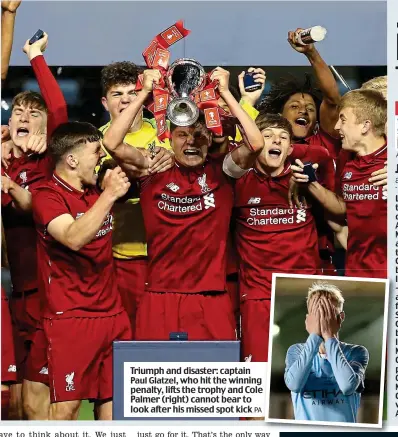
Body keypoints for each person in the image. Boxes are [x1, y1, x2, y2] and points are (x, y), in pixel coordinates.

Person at [102, 66, 265, 341]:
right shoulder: (153, 168)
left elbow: (256, 143)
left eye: (200, 135)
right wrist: (143, 93)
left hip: (211, 298)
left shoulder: (223, 171)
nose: (191, 141)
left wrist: (225, 92)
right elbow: (112, 142)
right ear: (169, 137)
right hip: (160, 297)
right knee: (152, 383)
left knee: (214, 383)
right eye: (182, 134)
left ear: (210, 139)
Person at [31, 122, 132, 420]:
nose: (100, 159)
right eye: (95, 153)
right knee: (65, 411)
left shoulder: (95, 190)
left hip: (113, 315)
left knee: (115, 408)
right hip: (71, 318)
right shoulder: (46, 196)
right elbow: (73, 237)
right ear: (72, 160)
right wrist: (109, 195)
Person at [1, 32, 68, 420]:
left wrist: (35, 57)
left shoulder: (48, 164)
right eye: (18, 114)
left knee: (41, 402)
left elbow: (58, 107)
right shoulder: (7, 163)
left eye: (33, 114)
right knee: (21, 405)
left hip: (48, 297)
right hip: (16, 296)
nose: (24, 118)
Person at [235, 113, 325, 364]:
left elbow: (323, 154)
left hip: (304, 293)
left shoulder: (305, 179)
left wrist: (308, 178)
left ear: (291, 148)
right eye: (268, 136)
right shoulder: (238, 181)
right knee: (259, 376)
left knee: (310, 375)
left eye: (283, 137)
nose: (276, 141)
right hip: (258, 295)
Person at [99, 61, 173, 336]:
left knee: (163, 342)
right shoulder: (95, 143)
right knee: (124, 342)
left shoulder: (167, 133)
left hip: (167, 260)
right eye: (118, 94)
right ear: (105, 102)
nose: (126, 99)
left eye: (133, 92)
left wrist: (174, 158)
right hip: (120, 259)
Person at [292, 89, 387, 278]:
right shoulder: (345, 159)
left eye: (343, 119)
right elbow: (342, 207)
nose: (337, 127)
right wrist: (311, 184)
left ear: (365, 125)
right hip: (358, 273)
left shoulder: (391, 161)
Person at [284, 281, 369, 423]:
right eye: (317, 315)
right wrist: (314, 337)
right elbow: (294, 384)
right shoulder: (296, 351)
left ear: (340, 318)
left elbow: (347, 386)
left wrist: (329, 336)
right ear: (308, 320)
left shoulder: (357, 352)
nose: (322, 320)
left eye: (328, 314)